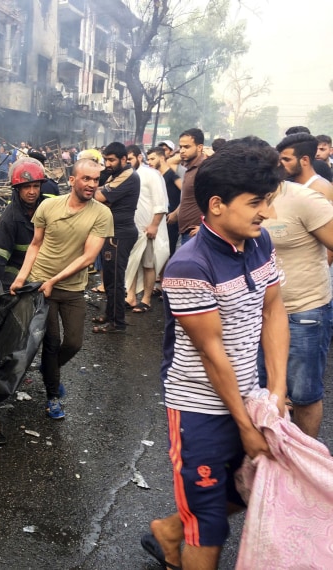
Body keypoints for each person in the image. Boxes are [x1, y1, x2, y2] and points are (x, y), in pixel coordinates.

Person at [144, 138, 288, 570]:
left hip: (250, 396)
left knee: (247, 490)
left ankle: (169, 531)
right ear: (217, 205)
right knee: (207, 525)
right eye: (256, 202)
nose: (267, 212)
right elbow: (212, 355)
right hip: (199, 410)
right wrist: (245, 426)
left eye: (267, 200)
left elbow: (274, 309)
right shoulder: (189, 265)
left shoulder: (259, 242)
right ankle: (180, 535)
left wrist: (276, 395)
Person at [10, 158, 113, 419]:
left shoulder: (102, 214)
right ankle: (53, 395)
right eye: (86, 179)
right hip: (40, 284)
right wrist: (22, 278)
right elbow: (35, 244)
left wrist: (54, 280)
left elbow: (89, 257)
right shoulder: (48, 206)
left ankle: (49, 373)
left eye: (95, 180)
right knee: (52, 342)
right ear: (72, 180)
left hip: (70, 288)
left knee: (74, 342)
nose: (91, 184)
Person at [260, 170, 333, 438]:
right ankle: (270, 465)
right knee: (261, 391)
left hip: (305, 311)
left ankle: (304, 458)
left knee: (304, 394)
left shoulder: (305, 200)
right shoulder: (244, 198)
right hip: (258, 313)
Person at [91, 142, 140, 333]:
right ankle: (110, 314)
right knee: (109, 279)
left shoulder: (128, 175)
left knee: (116, 280)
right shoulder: (115, 174)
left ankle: (117, 323)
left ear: (123, 159)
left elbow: (100, 196)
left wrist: (90, 189)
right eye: (105, 160)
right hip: (112, 232)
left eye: (111, 160)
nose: (107, 164)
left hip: (120, 234)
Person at [0, 158, 50, 300]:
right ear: (18, 188)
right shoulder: (9, 218)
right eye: (26, 187)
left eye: (36, 186)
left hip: (42, 269)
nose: (32, 191)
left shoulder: (48, 208)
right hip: (15, 271)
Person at [124, 145, 169, 313]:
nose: (128, 163)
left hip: (147, 229)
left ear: (139, 157)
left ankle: (147, 299)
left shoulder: (151, 175)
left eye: (130, 159)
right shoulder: (125, 176)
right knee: (131, 263)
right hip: (130, 229)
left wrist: (154, 225)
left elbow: (161, 203)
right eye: (125, 160)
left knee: (148, 265)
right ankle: (130, 297)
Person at [167, 128, 206, 245]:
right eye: (181, 147)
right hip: (185, 232)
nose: (182, 151)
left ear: (199, 147)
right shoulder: (190, 169)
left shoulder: (204, 170)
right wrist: (176, 213)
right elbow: (190, 197)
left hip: (195, 234)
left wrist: (205, 228)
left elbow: (216, 200)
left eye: (187, 147)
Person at [276, 133, 333, 200]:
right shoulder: (290, 185)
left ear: (305, 160)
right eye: (280, 159)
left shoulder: (318, 190)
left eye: (287, 160)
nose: (280, 164)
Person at [147, 146, 182, 259]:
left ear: (162, 158)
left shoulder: (172, 175)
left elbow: (187, 194)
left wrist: (176, 212)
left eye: (152, 159)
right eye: (148, 159)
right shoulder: (156, 176)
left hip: (171, 221)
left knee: (168, 253)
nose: (149, 162)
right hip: (160, 220)